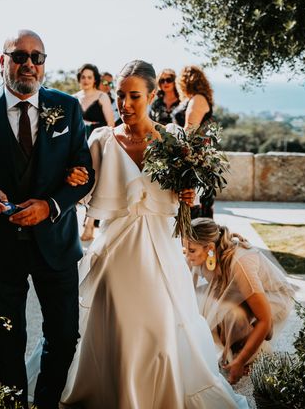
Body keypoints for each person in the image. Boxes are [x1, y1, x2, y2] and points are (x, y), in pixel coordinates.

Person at [56, 60, 248, 408]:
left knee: (160, 328)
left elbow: (191, 189)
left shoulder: (172, 138)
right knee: (119, 329)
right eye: (120, 97)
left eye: (134, 97)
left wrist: (191, 195)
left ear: (152, 95)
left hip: (161, 249)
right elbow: (85, 189)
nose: (125, 105)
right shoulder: (101, 140)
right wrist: (74, 180)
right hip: (116, 252)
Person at [0, 29, 94, 409]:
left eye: (36, 57)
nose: (28, 63)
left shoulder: (66, 108)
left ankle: (44, 404)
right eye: (19, 56)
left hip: (55, 244)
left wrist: (51, 206)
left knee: (64, 336)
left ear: (44, 65)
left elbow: (84, 173)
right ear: (2, 61)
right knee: (7, 341)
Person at [185, 218, 295, 384]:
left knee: (229, 314)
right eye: (184, 248)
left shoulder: (240, 263)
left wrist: (240, 361)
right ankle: (239, 341)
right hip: (238, 290)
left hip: (273, 297)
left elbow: (264, 319)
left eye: (191, 250)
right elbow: (186, 296)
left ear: (209, 248)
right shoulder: (203, 253)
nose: (186, 254)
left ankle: (255, 353)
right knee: (204, 301)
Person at [74, 63, 115, 242]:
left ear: (95, 79)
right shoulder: (73, 98)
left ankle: (90, 223)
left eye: (90, 77)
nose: (86, 80)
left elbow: (111, 124)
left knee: (96, 181)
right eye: (83, 77)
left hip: (98, 143)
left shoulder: (102, 97)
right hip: (79, 142)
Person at [172, 64, 216, 218]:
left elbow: (189, 130)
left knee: (193, 207)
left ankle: (195, 240)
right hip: (190, 155)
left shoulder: (198, 99)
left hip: (192, 158)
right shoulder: (195, 98)